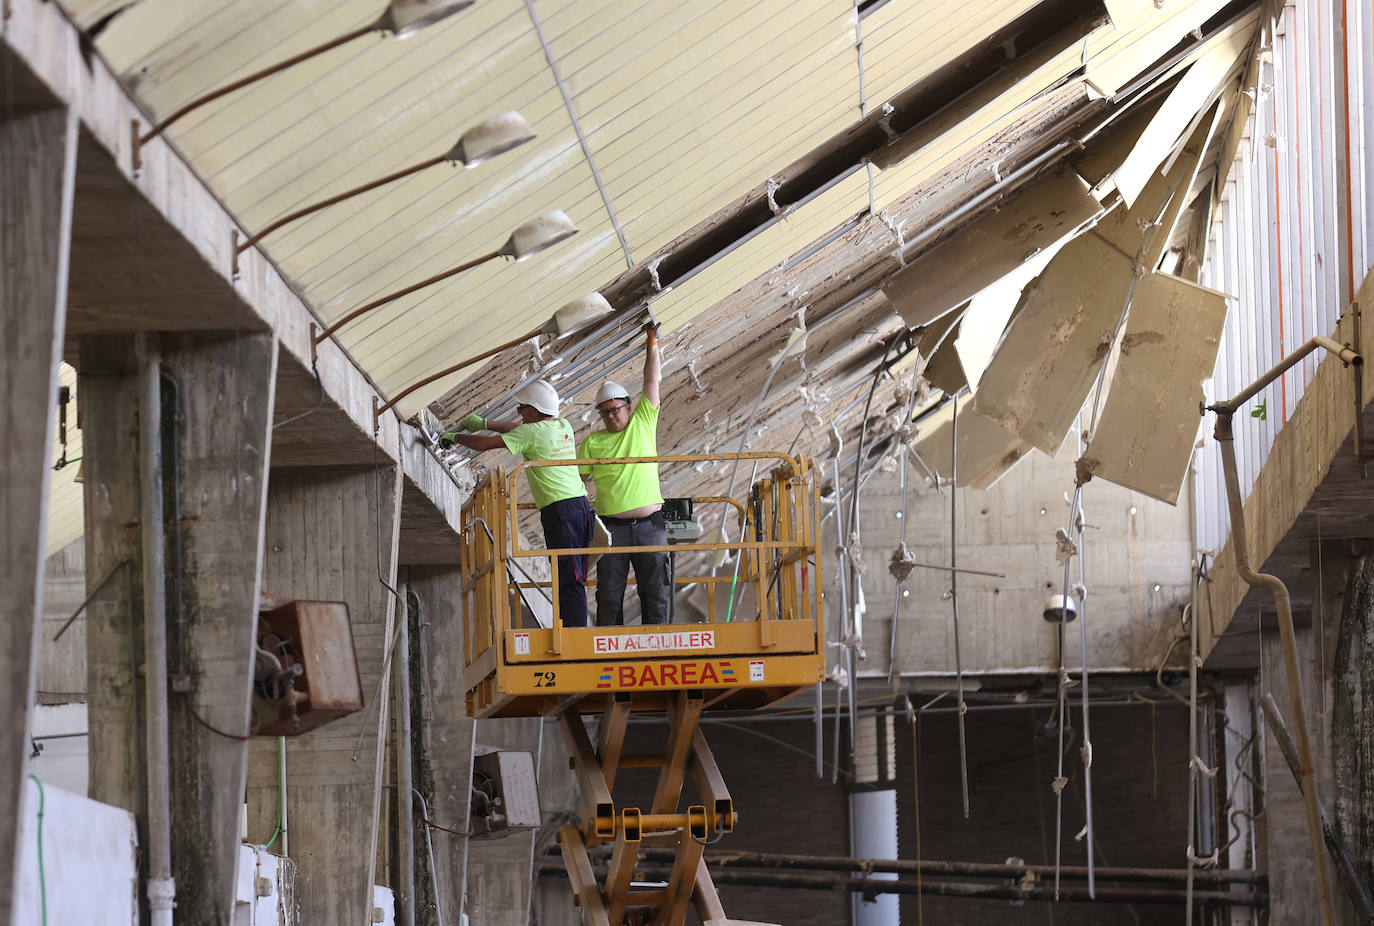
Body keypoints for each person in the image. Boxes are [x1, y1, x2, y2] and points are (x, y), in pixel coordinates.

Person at [443, 380, 592, 628]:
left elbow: (483, 445)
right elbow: (518, 429)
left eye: (522, 408)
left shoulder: (531, 433)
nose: (519, 413)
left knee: (568, 577)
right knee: (571, 573)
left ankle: (573, 634)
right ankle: (569, 629)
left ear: (534, 411)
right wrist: (487, 424)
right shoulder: (561, 425)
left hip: (561, 511)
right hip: (578, 507)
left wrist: (455, 437)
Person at [579, 323, 668, 625]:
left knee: (654, 588)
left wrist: (652, 343)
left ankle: (658, 645)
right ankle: (608, 646)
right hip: (611, 528)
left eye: (616, 409)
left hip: (649, 525)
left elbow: (651, 381)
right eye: (604, 412)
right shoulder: (592, 442)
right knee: (609, 593)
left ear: (629, 407)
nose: (611, 415)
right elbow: (576, 480)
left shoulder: (643, 422)